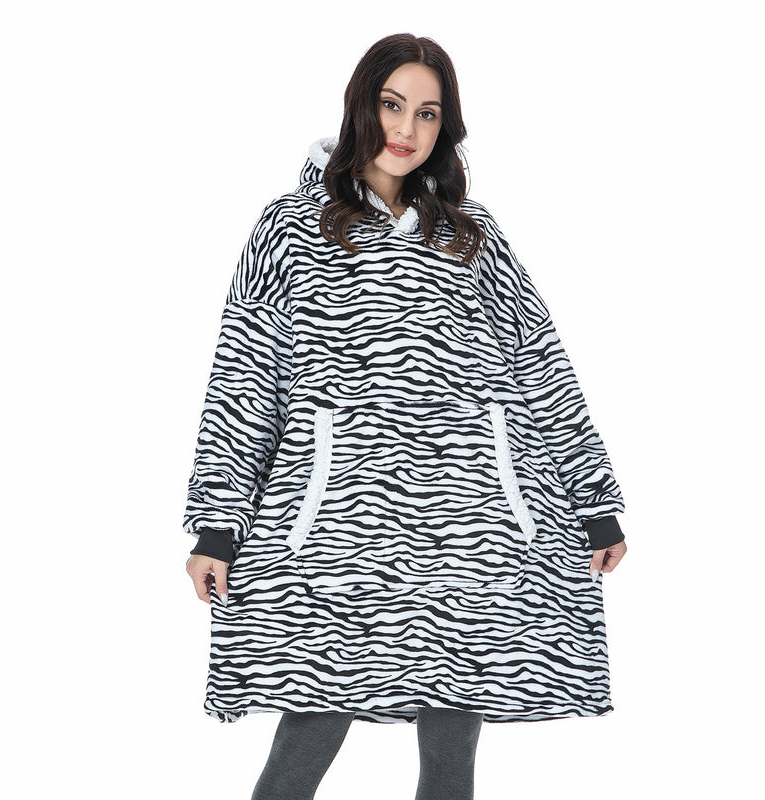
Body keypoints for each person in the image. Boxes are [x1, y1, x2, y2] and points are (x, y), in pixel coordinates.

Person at [183, 32, 628, 800]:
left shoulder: (471, 234)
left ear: (444, 127)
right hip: (339, 526)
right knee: (309, 729)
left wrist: (595, 503)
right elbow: (245, 378)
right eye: (393, 104)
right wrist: (217, 525)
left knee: (452, 750)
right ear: (362, 103)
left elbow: (541, 366)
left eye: (428, 113)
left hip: (468, 528)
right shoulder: (289, 227)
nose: (407, 128)